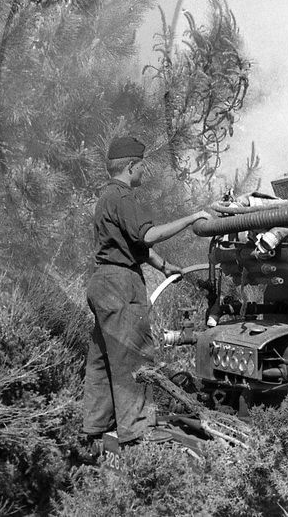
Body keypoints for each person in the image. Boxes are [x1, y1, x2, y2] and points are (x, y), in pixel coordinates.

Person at [80, 136, 212, 449]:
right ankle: (137, 436)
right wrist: (192, 218)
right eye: (142, 167)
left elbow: (135, 246)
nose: (144, 173)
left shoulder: (106, 197)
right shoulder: (124, 197)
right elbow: (148, 234)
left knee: (102, 357)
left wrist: (165, 266)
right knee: (133, 359)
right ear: (131, 167)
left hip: (101, 283)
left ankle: (95, 428)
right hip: (121, 286)